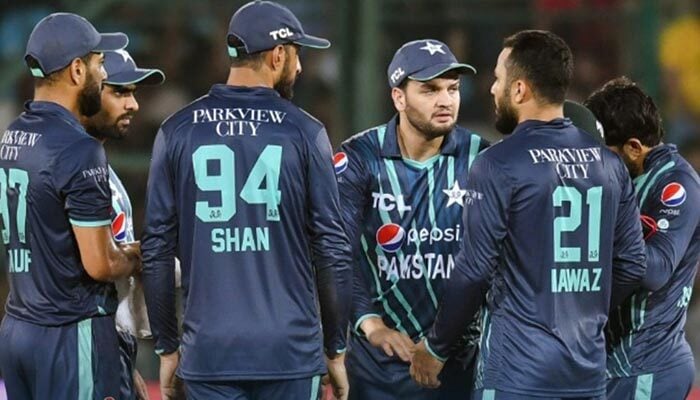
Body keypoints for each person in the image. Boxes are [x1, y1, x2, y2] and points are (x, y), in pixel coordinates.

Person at [410, 30, 647, 399]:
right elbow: (632, 263)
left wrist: (437, 346)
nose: (492, 89)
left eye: (499, 79)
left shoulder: (498, 163)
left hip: (515, 374)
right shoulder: (608, 163)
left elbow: (473, 270)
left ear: (519, 90)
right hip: (585, 373)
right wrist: (578, 310)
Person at [141, 1, 352, 399]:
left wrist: (167, 348)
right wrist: (336, 348)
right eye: (296, 54)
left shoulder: (176, 131)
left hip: (209, 353)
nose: (301, 67)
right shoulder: (306, 132)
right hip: (289, 352)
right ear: (277, 55)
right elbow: (333, 250)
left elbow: (155, 249)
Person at [336, 39, 487, 400]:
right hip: (378, 366)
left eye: (453, 89)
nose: (446, 100)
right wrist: (372, 325)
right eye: (430, 90)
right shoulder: (358, 157)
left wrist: (442, 341)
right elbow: (337, 253)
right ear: (398, 98)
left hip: (459, 361)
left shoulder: (481, 157)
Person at [0, 13, 141, 400]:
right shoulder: (80, 148)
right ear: (77, 70)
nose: (101, 71)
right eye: (98, 63)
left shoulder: (13, 134)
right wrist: (134, 257)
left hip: (18, 327)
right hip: (68, 332)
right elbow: (99, 264)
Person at [585, 77, 700, 400]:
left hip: (646, 366)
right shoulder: (622, 180)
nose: (597, 160)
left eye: (604, 152)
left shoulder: (676, 186)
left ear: (634, 148)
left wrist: (612, 223)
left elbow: (655, 269)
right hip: (613, 365)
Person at [81, 48, 166, 400]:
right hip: (82, 345)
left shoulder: (95, 163)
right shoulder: (77, 165)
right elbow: (96, 266)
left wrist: (124, 363)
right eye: (119, 91)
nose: (133, 104)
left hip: (103, 343)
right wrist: (139, 256)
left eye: (133, 93)